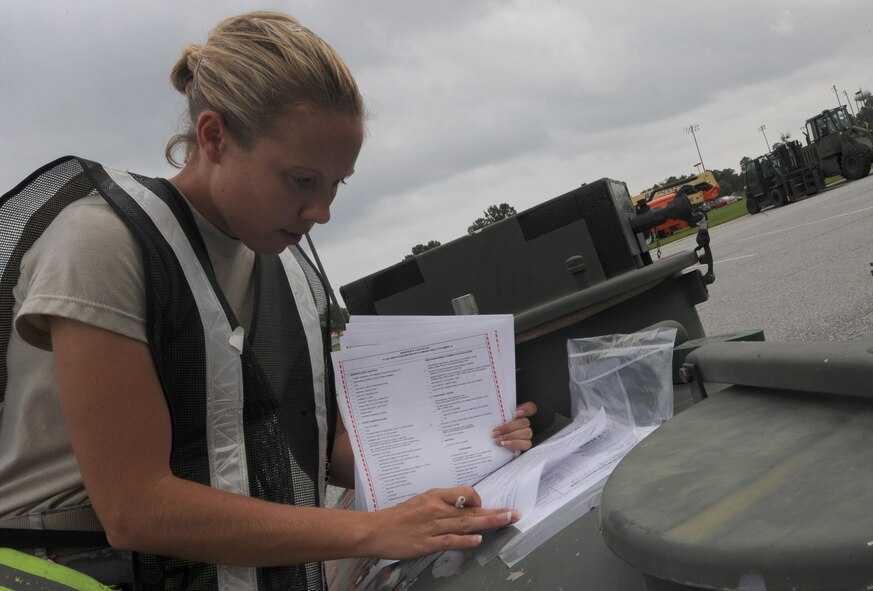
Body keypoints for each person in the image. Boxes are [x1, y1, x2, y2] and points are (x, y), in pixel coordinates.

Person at [0, 11, 536, 591]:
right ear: (213, 138)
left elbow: (324, 450)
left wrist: (466, 447)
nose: (323, 211)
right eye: (302, 180)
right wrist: (373, 530)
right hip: (73, 568)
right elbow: (137, 508)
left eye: (337, 183)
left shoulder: (285, 267)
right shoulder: (103, 245)